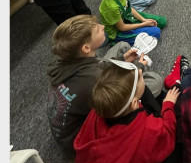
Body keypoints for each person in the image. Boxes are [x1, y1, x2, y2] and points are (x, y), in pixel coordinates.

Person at [46, 14, 163, 155]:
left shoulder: (66, 60)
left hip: (74, 121)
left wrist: (123, 59)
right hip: (83, 137)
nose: (102, 26)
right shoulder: (92, 79)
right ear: (86, 48)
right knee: (155, 81)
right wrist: (139, 67)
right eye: (98, 30)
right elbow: (118, 89)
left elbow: (97, 64)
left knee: (122, 47)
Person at [74, 59, 180, 163]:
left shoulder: (96, 113)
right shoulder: (148, 129)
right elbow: (167, 137)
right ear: (135, 104)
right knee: (179, 135)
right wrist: (168, 105)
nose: (140, 72)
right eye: (139, 78)